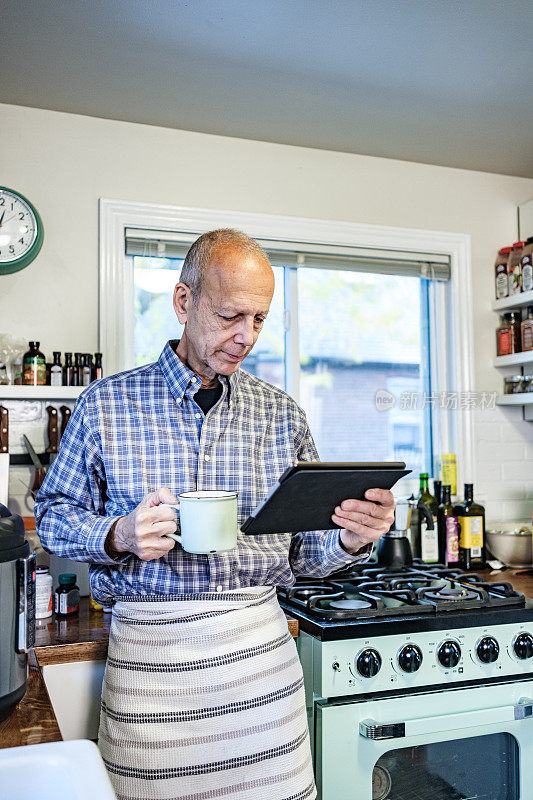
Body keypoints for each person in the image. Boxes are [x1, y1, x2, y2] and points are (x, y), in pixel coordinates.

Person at [35, 229, 395, 800]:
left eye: (259, 318)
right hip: (154, 676)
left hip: (263, 674)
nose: (246, 336)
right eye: (231, 315)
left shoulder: (282, 416)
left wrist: (352, 538)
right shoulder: (105, 403)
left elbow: (307, 557)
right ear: (184, 302)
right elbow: (53, 516)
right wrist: (118, 532)